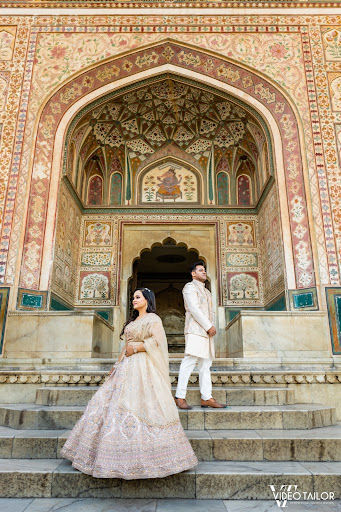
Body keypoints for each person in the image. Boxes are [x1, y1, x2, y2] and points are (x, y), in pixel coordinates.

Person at [61, 287, 198, 479]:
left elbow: (158, 343)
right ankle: (108, 456)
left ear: (147, 300)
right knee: (107, 405)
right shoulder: (133, 321)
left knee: (141, 406)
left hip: (144, 367)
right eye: (133, 297)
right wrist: (116, 365)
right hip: (125, 368)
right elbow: (125, 347)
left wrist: (139, 347)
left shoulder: (153, 319)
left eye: (138, 297)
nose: (134, 300)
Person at [174, 261, 227, 410]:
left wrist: (212, 326)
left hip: (206, 332)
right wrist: (208, 326)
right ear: (193, 273)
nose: (204, 272)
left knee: (205, 364)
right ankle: (180, 396)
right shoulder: (189, 287)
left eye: (204, 270)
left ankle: (207, 398)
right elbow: (194, 308)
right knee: (189, 361)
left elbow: (211, 312)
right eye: (200, 270)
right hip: (196, 330)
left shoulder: (207, 291)